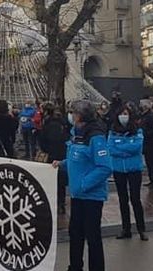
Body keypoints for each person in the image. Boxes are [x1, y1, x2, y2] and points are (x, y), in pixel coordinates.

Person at [55, 101, 111, 271]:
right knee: (75, 234)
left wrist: (84, 184)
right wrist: (62, 164)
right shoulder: (76, 134)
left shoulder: (95, 137)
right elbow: (76, 158)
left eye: (73, 112)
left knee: (92, 236)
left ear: (81, 116)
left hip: (91, 196)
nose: (70, 115)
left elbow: (105, 167)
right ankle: (75, 267)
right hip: (77, 195)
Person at [108, 103, 148, 241]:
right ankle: (126, 229)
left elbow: (136, 147)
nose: (123, 116)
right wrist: (126, 149)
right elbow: (111, 149)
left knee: (135, 199)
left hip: (134, 170)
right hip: (119, 170)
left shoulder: (137, 131)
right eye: (121, 113)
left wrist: (121, 149)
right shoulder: (113, 131)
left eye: (126, 114)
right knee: (122, 199)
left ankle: (141, 229)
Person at [38, 102, 70, 214]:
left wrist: (46, 150)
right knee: (60, 181)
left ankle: (54, 202)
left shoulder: (49, 124)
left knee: (52, 180)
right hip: (61, 154)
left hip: (52, 156)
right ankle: (61, 202)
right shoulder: (62, 124)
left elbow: (44, 141)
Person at [138, 98, 153, 188]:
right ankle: (152, 180)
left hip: (151, 143)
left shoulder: (150, 116)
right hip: (148, 143)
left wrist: (145, 134)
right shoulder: (144, 116)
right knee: (149, 163)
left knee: (152, 163)